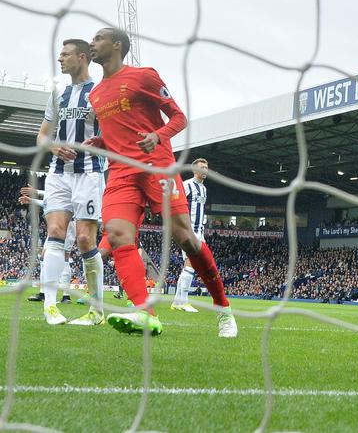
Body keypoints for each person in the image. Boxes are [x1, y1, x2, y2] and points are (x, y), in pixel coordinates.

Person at [85, 27, 236, 337]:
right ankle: (144, 312)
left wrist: (158, 136)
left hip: (157, 166)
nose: (92, 43)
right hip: (121, 172)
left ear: (117, 45)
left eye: (98, 38)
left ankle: (224, 310)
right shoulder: (96, 93)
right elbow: (121, 132)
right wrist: (103, 142)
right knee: (116, 236)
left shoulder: (144, 76)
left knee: (185, 238)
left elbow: (179, 117)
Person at [23, 39, 108, 325]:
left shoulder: (101, 92)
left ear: (82, 57)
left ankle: (96, 310)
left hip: (89, 171)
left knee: (85, 238)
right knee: (55, 233)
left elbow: (117, 134)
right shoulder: (58, 93)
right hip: (58, 172)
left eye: (65, 55)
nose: (60, 59)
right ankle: (50, 307)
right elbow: (42, 135)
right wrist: (54, 148)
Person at [172, 158, 211, 312]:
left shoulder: (204, 189)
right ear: (194, 170)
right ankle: (183, 301)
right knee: (191, 264)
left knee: (191, 265)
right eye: (202, 167)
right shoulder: (187, 185)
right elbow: (176, 204)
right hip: (188, 231)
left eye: (206, 168)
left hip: (199, 232)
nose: (205, 170)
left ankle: (177, 301)